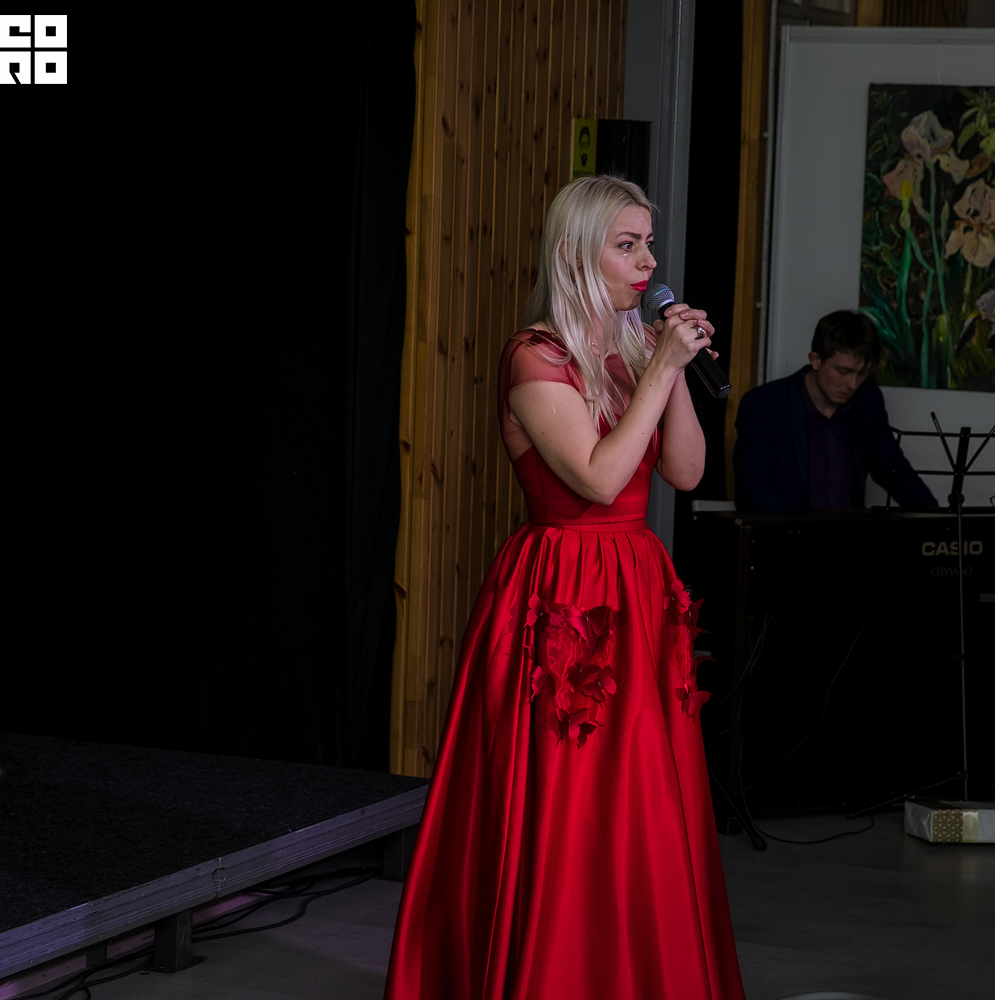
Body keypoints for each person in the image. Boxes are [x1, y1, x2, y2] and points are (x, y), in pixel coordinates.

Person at [384, 176, 745, 1000]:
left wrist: (668, 367)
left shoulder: (635, 349)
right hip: (565, 592)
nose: (648, 263)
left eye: (648, 244)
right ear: (578, 252)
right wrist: (659, 368)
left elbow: (687, 471)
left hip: (637, 585)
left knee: (641, 799)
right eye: (628, 245)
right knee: (569, 799)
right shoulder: (535, 356)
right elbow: (597, 477)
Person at [732, 310, 938, 511]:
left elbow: (896, 472)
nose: (852, 384)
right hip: (786, 531)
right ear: (815, 360)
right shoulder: (766, 404)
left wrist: (939, 520)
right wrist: (798, 527)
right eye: (843, 371)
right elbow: (750, 490)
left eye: (862, 374)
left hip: (848, 531)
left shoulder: (867, 401)